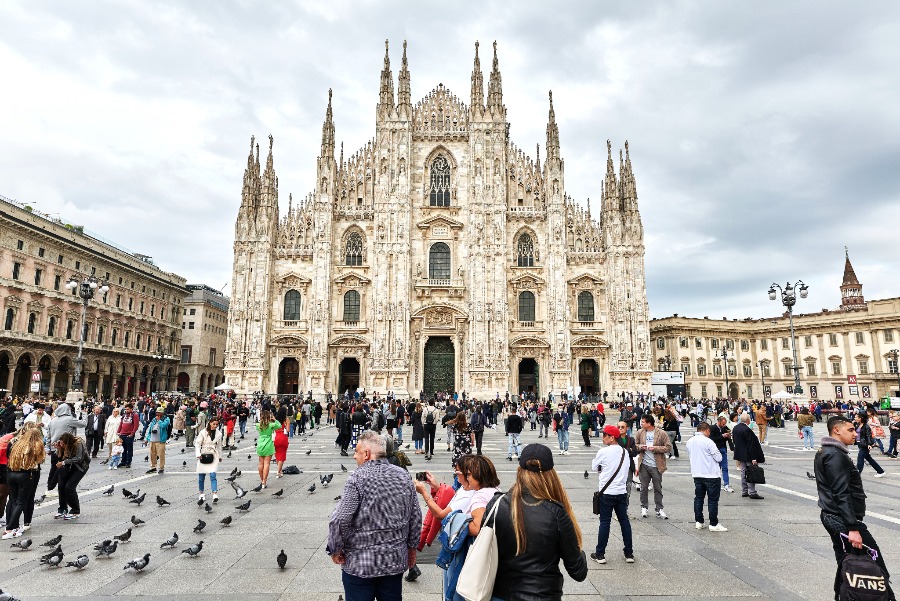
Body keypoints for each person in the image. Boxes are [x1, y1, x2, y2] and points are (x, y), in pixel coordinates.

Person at [329, 431, 422, 601]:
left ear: (366, 454)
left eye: (356, 451)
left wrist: (335, 548)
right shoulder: (403, 476)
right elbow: (415, 516)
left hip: (360, 564)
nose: (354, 456)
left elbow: (340, 519)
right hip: (393, 561)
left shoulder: (357, 478)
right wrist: (411, 547)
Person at [490, 443, 587, 601]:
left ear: (519, 471)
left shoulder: (496, 504)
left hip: (499, 594)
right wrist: (576, 548)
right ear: (551, 475)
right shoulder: (557, 513)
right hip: (542, 595)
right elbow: (579, 572)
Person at [815, 416, 896, 601]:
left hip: (834, 516)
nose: (855, 434)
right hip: (842, 520)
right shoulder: (835, 455)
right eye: (850, 430)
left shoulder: (826, 451)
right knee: (876, 565)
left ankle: (845, 596)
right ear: (836, 430)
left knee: (847, 564)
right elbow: (841, 493)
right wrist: (853, 528)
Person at [415, 454, 500, 601]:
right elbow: (453, 495)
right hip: (482, 549)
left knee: (453, 590)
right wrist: (435, 485)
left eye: (463, 472)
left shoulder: (477, 495)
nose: (458, 474)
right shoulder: (479, 490)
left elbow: (475, 526)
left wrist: (460, 521)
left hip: (463, 547)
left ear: (476, 475)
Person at [591, 425, 634, 564]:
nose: (603, 438)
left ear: (612, 437)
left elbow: (594, 467)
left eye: (605, 435)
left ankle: (600, 554)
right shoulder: (624, 452)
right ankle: (629, 554)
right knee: (624, 522)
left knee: (605, 522)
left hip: (607, 493)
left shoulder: (603, 452)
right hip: (621, 492)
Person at [2, 426, 45, 539]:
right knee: (21, 502)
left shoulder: (17, 442)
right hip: (25, 474)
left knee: (13, 500)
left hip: (11, 473)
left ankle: (13, 526)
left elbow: (8, 455)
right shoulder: (35, 445)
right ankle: (10, 529)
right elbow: (40, 460)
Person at [686, 423, 727, 531]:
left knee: (699, 498)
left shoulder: (690, 441)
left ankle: (699, 521)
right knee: (712, 500)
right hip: (711, 474)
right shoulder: (708, 441)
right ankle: (713, 524)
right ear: (707, 430)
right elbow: (718, 458)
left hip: (697, 473)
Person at [634, 414, 671, 519]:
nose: (641, 423)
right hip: (644, 464)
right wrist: (642, 447)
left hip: (657, 465)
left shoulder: (661, 433)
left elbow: (668, 447)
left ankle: (659, 509)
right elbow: (635, 445)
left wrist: (654, 448)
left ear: (649, 423)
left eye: (643, 422)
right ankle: (644, 507)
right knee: (643, 488)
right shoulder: (640, 432)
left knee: (658, 488)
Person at [46, 402, 84, 496]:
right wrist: (84, 413)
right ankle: (59, 487)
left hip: (54, 447)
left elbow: (48, 435)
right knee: (62, 468)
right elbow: (83, 424)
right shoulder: (69, 419)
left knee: (53, 468)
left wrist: (48, 447)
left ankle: (49, 488)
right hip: (64, 448)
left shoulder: (53, 420)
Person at [54, 432, 90, 520]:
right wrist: (59, 449)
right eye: (61, 443)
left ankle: (75, 510)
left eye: (63, 444)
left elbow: (78, 458)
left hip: (80, 467)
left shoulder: (78, 443)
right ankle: (62, 509)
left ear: (68, 443)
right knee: (61, 485)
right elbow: (60, 456)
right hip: (69, 466)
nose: (62, 445)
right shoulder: (63, 445)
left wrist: (63, 462)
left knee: (69, 487)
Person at [732, 413, 765, 500]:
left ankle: (744, 491)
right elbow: (751, 445)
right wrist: (754, 458)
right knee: (751, 472)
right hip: (748, 454)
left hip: (740, 453)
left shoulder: (736, 428)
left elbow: (734, 440)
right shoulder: (747, 430)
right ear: (748, 420)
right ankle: (752, 492)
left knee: (743, 472)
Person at [195, 416, 223, 502]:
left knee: (213, 475)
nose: (215, 426)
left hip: (213, 454)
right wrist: (198, 454)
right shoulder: (203, 432)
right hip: (204, 453)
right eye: (214, 424)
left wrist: (220, 456)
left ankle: (214, 493)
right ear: (210, 423)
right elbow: (197, 443)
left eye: (217, 424)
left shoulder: (219, 433)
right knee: (201, 476)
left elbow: (219, 446)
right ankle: (201, 493)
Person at [255, 410, 281, 488]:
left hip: (260, 444)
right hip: (268, 444)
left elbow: (259, 425)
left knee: (260, 463)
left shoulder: (258, 425)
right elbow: (279, 425)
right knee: (267, 463)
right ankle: (264, 481)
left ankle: (261, 479)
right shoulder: (271, 425)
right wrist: (274, 419)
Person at [709, 416, 734, 493]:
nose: (724, 425)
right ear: (719, 422)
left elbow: (725, 439)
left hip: (723, 448)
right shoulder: (713, 428)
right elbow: (712, 439)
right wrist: (722, 436)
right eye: (723, 423)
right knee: (716, 467)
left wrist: (728, 436)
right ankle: (715, 483)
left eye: (725, 423)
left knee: (725, 467)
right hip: (716, 449)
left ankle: (726, 484)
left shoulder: (724, 428)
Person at [144, 408, 171, 474]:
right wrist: (147, 439)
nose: (157, 414)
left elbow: (163, 426)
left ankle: (161, 467)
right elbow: (150, 429)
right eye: (157, 412)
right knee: (152, 454)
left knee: (161, 454)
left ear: (162, 413)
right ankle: (153, 467)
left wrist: (159, 421)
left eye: (159, 412)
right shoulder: (154, 419)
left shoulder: (166, 419)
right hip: (152, 439)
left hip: (160, 440)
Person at [117, 404, 140, 468]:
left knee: (129, 449)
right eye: (126, 409)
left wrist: (132, 434)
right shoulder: (124, 415)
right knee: (123, 449)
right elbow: (121, 424)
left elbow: (136, 425)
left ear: (131, 409)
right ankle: (123, 461)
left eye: (128, 409)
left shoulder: (134, 415)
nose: (126, 410)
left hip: (129, 434)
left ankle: (128, 462)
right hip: (122, 434)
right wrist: (118, 431)